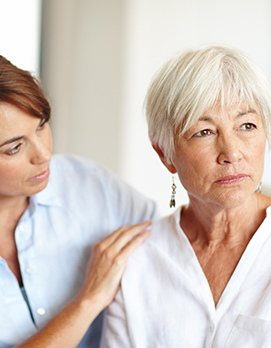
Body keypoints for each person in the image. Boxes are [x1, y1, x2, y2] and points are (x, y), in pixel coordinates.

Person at [102, 45, 271, 347]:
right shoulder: (137, 260)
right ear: (164, 153)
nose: (232, 152)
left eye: (247, 126)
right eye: (204, 132)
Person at [0, 55, 158, 348]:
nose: (43, 155)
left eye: (41, 125)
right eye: (14, 148)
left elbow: (174, 248)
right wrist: (90, 299)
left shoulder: (90, 185)